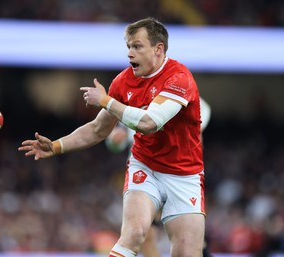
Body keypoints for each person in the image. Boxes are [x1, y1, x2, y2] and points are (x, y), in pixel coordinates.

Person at [19, 17, 206, 257]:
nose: (130, 53)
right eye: (128, 46)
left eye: (137, 46)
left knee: (187, 253)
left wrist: (106, 101)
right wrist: (56, 146)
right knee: (134, 234)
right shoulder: (123, 81)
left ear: (158, 49)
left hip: (185, 175)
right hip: (145, 166)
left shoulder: (179, 78)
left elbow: (149, 123)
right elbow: (98, 129)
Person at [105, 97, 212, 257]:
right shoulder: (133, 96)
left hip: (178, 176)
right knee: (143, 235)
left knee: (189, 243)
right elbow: (115, 135)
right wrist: (115, 140)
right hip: (146, 177)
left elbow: (198, 123)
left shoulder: (184, 93)